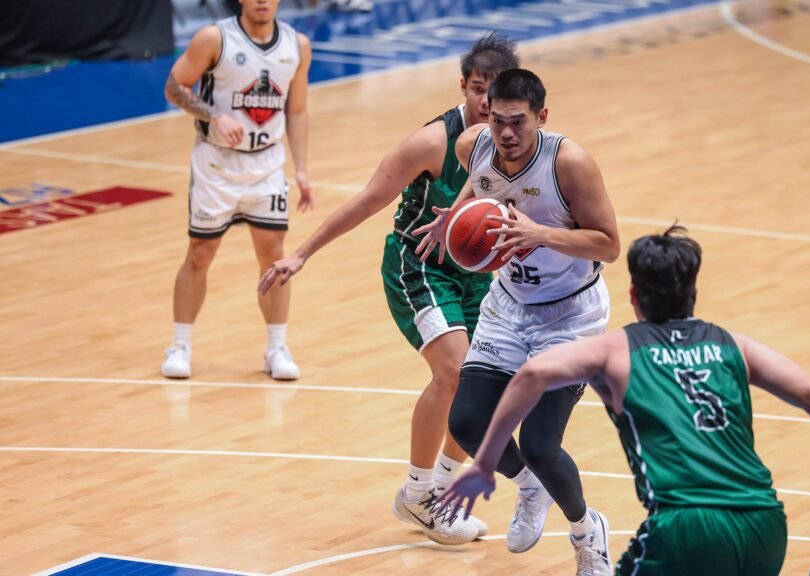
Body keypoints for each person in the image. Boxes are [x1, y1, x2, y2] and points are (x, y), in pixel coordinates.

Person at [437, 226, 810, 576]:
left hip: (686, 527)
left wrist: (485, 464)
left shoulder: (617, 349)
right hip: (764, 524)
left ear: (635, 298)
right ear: (694, 296)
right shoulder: (734, 344)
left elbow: (531, 374)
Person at [258, 33, 521, 544]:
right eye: (476, 89)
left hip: (477, 272)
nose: (485, 102)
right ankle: (421, 492)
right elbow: (366, 201)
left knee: (481, 386)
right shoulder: (431, 143)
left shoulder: (515, 141)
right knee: (454, 373)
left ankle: (436, 496)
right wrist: (301, 253)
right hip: (418, 265)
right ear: (462, 87)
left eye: (494, 91)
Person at [413, 68, 621, 574]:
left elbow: (610, 245)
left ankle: (586, 531)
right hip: (508, 306)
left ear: (541, 118)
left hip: (571, 315)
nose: (506, 133)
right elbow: (479, 189)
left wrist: (541, 234)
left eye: (518, 123)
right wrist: (456, 217)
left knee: (542, 443)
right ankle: (529, 488)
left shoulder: (569, 163)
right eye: (498, 121)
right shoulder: (473, 146)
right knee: (466, 422)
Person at [162, 0, 313, 381]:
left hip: (267, 165)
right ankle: (180, 344)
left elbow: (296, 110)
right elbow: (174, 86)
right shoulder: (214, 38)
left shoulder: (298, 45)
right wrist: (213, 115)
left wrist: (302, 169)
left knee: (274, 256)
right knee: (200, 252)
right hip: (217, 163)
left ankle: (276, 347)